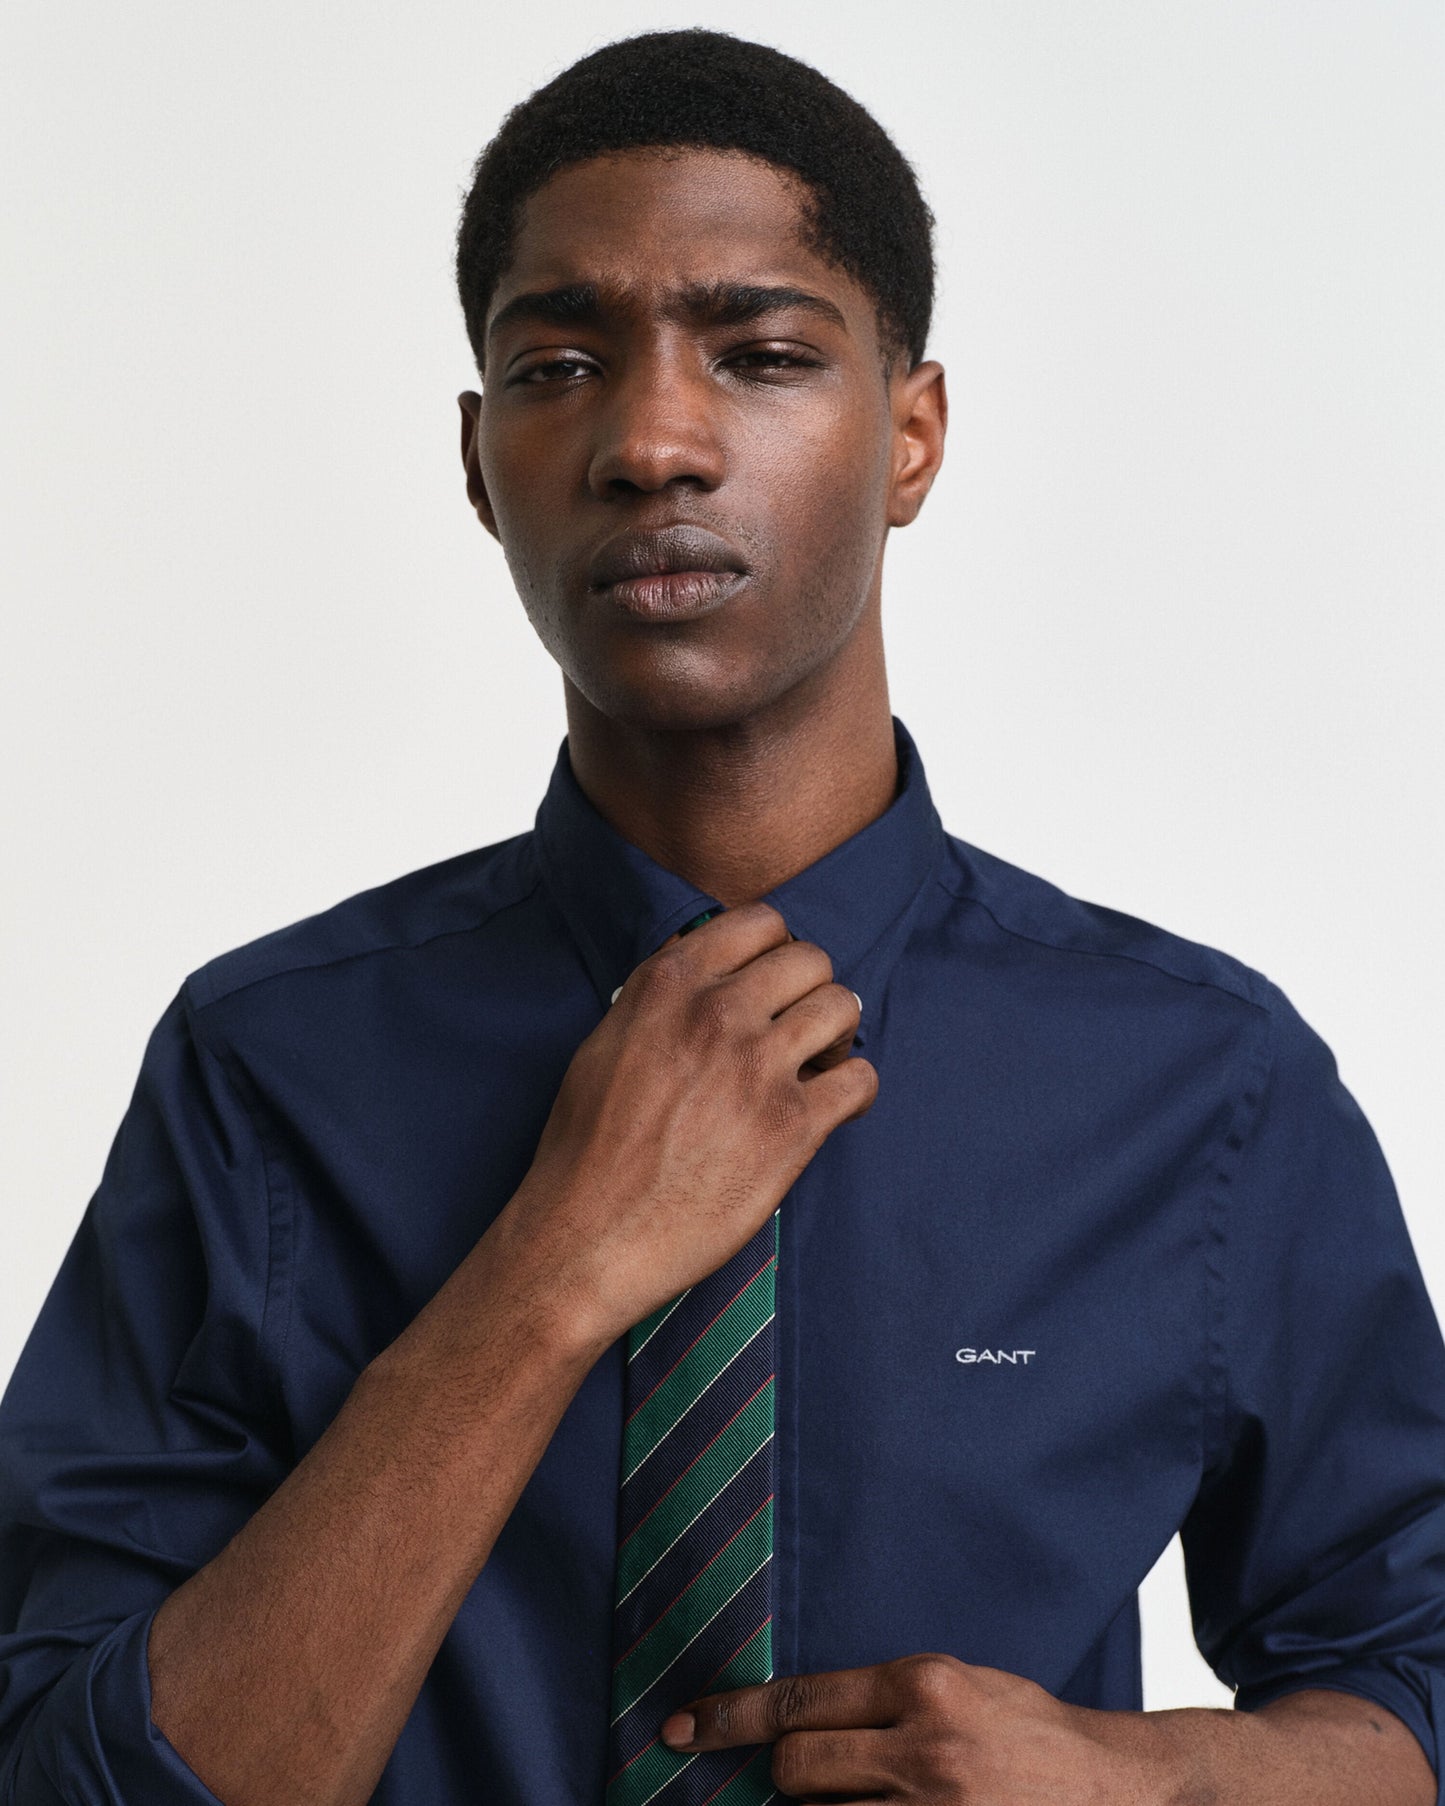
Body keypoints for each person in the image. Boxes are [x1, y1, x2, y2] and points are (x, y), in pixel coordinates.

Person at [2, 25, 1442, 1806]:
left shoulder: (1203, 1086)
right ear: (479, 463)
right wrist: (548, 1271)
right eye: (557, 366)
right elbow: (68, 1778)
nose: (652, 441)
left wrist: (1141, 1780)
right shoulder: (265, 1071)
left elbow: (1416, 1675)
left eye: (759, 355)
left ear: (909, 434)